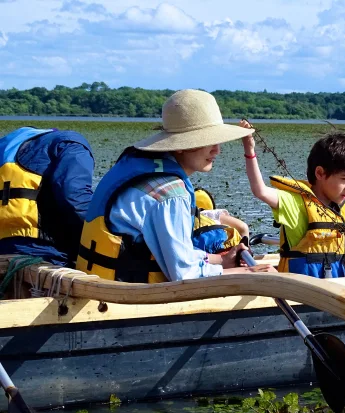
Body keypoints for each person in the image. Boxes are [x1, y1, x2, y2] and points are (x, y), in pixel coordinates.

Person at [76, 90, 274, 283]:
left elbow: (178, 254)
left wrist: (222, 260)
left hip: (101, 279)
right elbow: (185, 275)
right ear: (180, 145)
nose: (217, 150)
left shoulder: (144, 168)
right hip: (123, 297)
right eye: (209, 142)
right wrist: (248, 272)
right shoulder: (170, 194)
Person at [240, 122, 345, 290]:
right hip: (300, 291)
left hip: (340, 287)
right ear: (320, 173)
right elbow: (259, 190)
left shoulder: (344, 207)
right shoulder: (295, 203)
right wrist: (249, 149)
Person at [0, 127, 94, 267]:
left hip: (4, 247)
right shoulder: (71, 144)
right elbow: (74, 198)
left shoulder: (6, 144)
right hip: (46, 250)